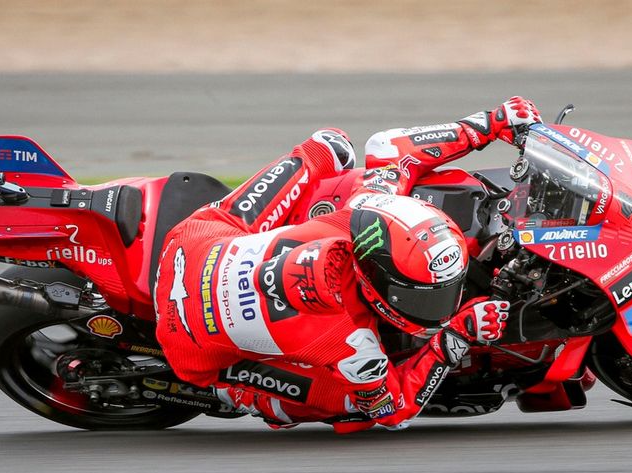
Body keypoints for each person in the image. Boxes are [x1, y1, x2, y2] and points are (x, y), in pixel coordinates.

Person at [154, 97, 541, 431]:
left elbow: (390, 147)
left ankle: (315, 157)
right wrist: (455, 337)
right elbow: (393, 409)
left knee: (330, 147)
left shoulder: (363, 210)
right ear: (378, 285)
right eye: (428, 298)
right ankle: (241, 395)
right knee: (350, 406)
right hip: (187, 347)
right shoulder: (354, 344)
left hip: (192, 245)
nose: (445, 304)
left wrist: (488, 125)